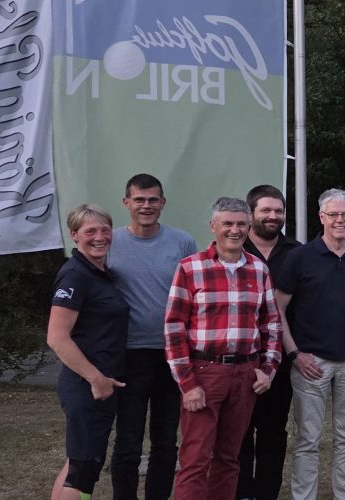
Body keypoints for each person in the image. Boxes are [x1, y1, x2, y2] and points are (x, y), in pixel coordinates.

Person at [163, 197, 282, 499]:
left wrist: (268, 369)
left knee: (229, 458)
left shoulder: (259, 269)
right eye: (227, 223)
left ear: (249, 227)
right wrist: (188, 384)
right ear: (213, 226)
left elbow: (271, 324)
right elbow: (174, 328)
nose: (235, 230)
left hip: (245, 374)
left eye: (241, 224)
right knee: (195, 459)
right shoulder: (190, 268)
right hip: (205, 372)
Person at [274, 188, 345, 500]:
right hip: (311, 363)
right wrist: (294, 353)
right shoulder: (299, 258)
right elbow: (278, 308)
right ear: (321, 217)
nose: (340, 220)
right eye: (333, 214)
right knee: (307, 439)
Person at [107, 173, 196, 500]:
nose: (146, 206)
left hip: (172, 355)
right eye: (139, 200)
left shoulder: (183, 242)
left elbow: (195, 295)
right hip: (128, 354)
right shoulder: (110, 242)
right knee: (128, 440)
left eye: (153, 200)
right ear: (126, 203)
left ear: (163, 203)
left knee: (166, 440)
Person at [47, 204, 128, 500]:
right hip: (87, 386)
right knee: (84, 470)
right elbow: (57, 337)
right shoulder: (75, 275)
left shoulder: (100, 273)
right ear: (74, 235)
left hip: (97, 385)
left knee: (77, 464)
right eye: (90, 231)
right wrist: (96, 379)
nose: (100, 237)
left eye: (105, 230)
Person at [237, 184, 301, 500]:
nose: (273, 216)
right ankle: (241, 492)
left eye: (278, 210)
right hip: (239, 356)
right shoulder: (233, 247)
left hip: (280, 359)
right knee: (239, 430)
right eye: (266, 210)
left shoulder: (297, 252)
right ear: (251, 214)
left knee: (273, 431)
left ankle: (266, 493)